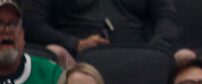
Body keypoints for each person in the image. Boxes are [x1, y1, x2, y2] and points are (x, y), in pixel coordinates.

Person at [22, 0, 184, 66]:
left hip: (139, 59)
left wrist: (155, 49)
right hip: (75, 62)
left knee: (185, 57)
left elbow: (168, 17)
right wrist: (75, 44)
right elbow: (31, 23)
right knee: (54, 52)